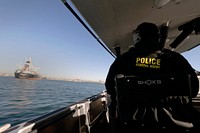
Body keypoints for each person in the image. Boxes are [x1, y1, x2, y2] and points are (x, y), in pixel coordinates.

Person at [105, 22, 199, 132]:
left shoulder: (123, 61)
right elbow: (193, 91)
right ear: (157, 38)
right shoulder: (176, 59)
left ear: (137, 38)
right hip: (178, 124)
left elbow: (110, 88)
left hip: (132, 124)